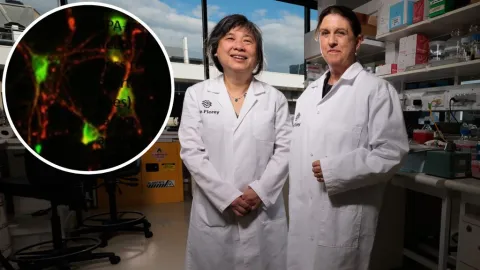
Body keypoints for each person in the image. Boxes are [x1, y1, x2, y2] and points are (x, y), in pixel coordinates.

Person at [287, 5, 409, 270]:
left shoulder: (376, 91)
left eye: (340, 33)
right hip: (302, 217)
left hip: (341, 218)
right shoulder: (308, 95)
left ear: (358, 41)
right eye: (325, 33)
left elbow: (391, 153)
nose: (331, 40)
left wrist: (335, 169)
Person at [179, 14, 291, 270]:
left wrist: (260, 191)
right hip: (214, 209)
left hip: (262, 209)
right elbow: (192, 152)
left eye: (248, 41)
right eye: (230, 38)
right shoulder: (198, 95)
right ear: (216, 50)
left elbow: (285, 150)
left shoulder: (274, 99)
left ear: (258, 55)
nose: (239, 46)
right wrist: (227, 196)